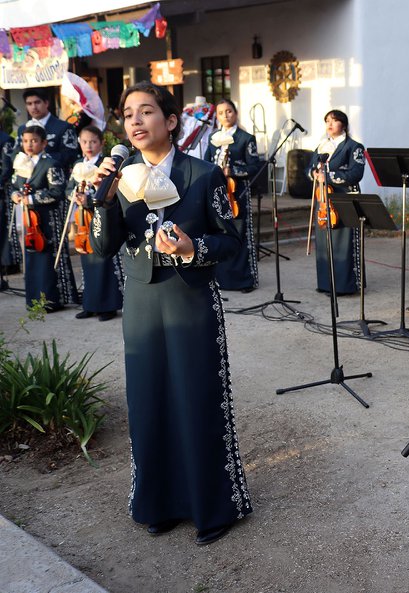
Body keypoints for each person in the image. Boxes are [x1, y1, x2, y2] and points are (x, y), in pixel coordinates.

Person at [90, 81, 252, 545]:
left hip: (190, 298)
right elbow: (102, 247)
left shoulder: (203, 174)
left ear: (171, 120)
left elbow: (231, 241)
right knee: (148, 401)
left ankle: (212, 506)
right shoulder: (120, 179)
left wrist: (191, 247)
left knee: (197, 399)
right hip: (141, 302)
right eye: (128, 114)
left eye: (146, 111)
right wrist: (102, 200)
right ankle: (158, 502)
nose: (135, 121)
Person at [9, 125, 78, 312]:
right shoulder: (21, 163)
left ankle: (52, 300)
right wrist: (15, 195)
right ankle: (34, 300)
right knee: (32, 258)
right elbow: (14, 186)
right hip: (30, 220)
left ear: (44, 143)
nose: (29, 144)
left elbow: (57, 192)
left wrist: (31, 199)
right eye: (25, 141)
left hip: (49, 220)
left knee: (48, 259)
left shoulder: (51, 164)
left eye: (34, 141)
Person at [204, 99, 263, 293]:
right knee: (220, 233)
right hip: (218, 192)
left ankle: (244, 280)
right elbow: (206, 163)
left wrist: (234, 171)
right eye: (221, 113)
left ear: (235, 113)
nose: (225, 115)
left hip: (238, 193)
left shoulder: (246, 138)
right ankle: (222, 279)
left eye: (229, 111)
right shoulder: (212, 137)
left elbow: (255, 166)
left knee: (240, 233)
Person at [67, 125, 123, 321]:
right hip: (83, 221)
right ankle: (90, 304)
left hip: (100, 217)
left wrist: (89, 201)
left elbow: (112, 193)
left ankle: (108, 306)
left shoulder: (106, 164)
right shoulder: (78, 164)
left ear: (101, 143)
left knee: (104, 261)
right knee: (86, 262)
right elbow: (68, 188)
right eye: (84, 142)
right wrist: (74, 196)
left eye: (93, 141)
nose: (88, 145)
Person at [308, 109, 364, 296]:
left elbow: (356, 174)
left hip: (344, 197)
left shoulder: (354, 146)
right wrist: (314, 174)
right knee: (324, 241)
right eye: (327, 121)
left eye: (334, 120)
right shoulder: (321, 146)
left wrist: (329, 176)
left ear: (344, 125)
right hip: (324, 200)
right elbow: (309, 169)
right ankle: (326, 283)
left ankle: (345, 285)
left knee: (343, 241)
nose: (330, 124)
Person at [17, 88, 80, 172]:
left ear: (46, 103)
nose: (34, 107)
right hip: (27, 175)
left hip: (56, 174)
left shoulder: (64, 127)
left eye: (37, 102)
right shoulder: (22, 129)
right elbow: (15, 152)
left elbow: (70, 155)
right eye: (29, 104)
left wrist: (41, 159)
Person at [0, 129, 15, 274]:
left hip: (3, 189)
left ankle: (8, 262)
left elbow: (7, 167)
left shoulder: (5, 140)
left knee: (4, 224)